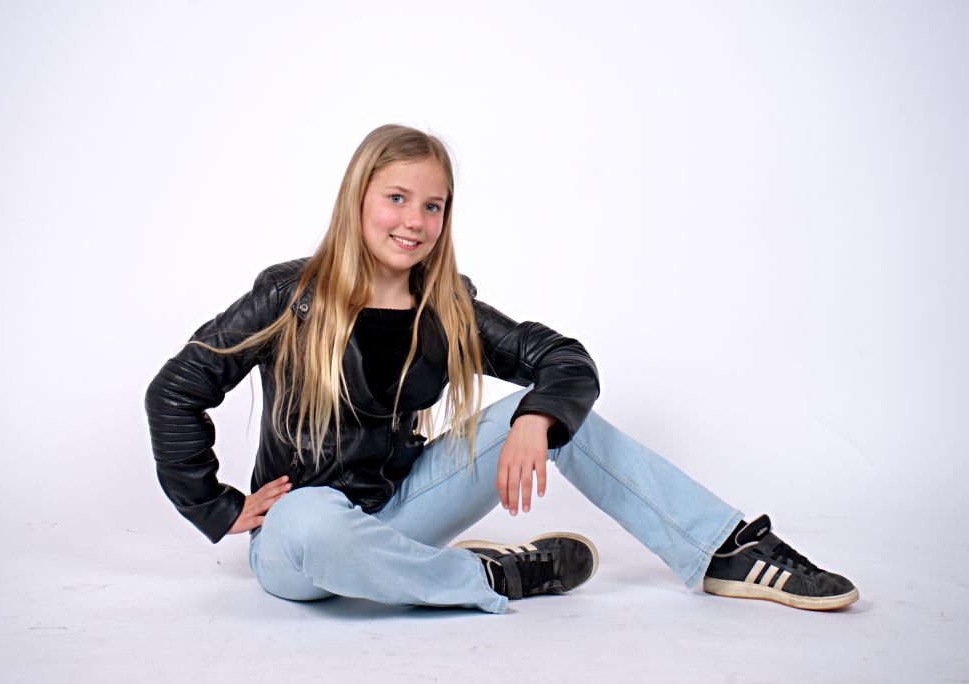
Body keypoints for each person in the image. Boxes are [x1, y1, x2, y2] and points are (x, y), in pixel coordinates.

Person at [145, 124, 858, 614]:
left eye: (432, 206)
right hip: (297, 541)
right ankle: (493, 575)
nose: (414, 221)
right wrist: (216, 506)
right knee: (313, 519)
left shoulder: (447, 307)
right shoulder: (290, 296)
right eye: (397, 198)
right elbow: (175, 391)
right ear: (358, 198)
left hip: (402, 511)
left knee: (556, 414)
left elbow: (563, 358)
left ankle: (721, 549)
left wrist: (536, 419)